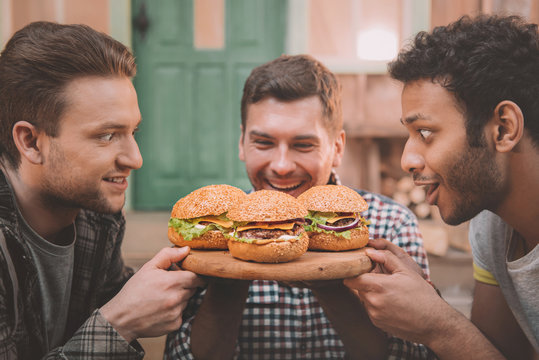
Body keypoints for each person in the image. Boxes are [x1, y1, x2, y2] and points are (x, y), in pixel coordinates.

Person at [165, 55, 436, 359]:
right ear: (241, 143)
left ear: (337, 148)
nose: (281, 166)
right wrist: (231, 274)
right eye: (264, 143)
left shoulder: (391, 224)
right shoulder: (209, 231)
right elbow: (180, 355)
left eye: (303, 145)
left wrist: (332, 283)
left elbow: (411, 354)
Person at [0, 21, 204, 359]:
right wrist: (118, 324)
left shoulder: (97, 219)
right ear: (31, 141)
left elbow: (110, 301)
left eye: (133, 131)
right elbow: (113, 318)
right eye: (106, 136)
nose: (135, 159)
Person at [345, 14, 539, 359]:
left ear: (504, 129)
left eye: (425, 133)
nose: (408, 160)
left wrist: (438, 327)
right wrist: (429, 306)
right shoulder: (491, 226)